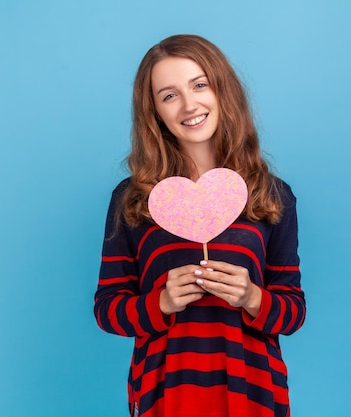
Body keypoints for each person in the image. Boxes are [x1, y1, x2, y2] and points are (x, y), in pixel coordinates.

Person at [94, 34, 306, 417]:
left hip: (253, 391)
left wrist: (251, 297)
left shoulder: (272, 194)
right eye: (169, 95)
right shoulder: (133, 199)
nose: (189, 105)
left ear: (222, 90)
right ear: (155, 111)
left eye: (199, 84)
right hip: (166, 391)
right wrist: (161, 302)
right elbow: (108, 309)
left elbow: (293, 311)